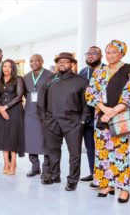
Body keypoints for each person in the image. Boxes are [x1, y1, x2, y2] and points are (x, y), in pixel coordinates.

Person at [85, 40, 130, 203]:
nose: (110, 56)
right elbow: (90, 93)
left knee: (120, 154)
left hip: (121, 117)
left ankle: (124, 189)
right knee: (102, 153)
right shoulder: (99, 72)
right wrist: (104, 109)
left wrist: (112, 112)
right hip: (101, 117)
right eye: (108, 52)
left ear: (122, 53)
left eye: (114, 52)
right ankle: (107, 185)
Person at [38, 52, 89, 191]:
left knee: (74, 153)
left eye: (66, 61)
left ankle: (73, 180)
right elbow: (41, 101)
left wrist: (82, 121)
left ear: (72, 64)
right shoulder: (48, 80)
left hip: (73, 122)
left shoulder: (81, 81)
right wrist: (44, 119)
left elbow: (87, 104)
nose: (62, 63)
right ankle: (54, 175)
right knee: (53, 150)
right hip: (51, 121)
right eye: (59, 61)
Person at [78, 46, 105, 187]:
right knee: (90, 147)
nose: (90, 56)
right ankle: (94, 175)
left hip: (103, 116)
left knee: (104, 148)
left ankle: (106, 178)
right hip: (86, 117)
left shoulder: (107, 70)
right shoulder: (82, 72)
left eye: (94, 53)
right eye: (88, 53)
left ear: (101, 56)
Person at [0, 59, 25, 175]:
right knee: (3, 137)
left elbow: (19, 96)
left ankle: (13, 163)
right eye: (4, 66)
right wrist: (0, 109)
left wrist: (5, 107)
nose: (6, 69)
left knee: (13, 137)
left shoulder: (18, 79)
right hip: (0, 111)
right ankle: (6, 163)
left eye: (9, 67)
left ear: (13, 68)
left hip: (14, 110)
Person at [23, 54, 52, 178]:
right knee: (30, 140)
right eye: (31, 61)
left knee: (46, 141)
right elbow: (25, 94)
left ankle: (46, 169)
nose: (34, 62)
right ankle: (35, 167)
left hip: (45, 112)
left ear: (42, 61)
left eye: (36, 60)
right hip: (30, 112)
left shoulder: (50, 75)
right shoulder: (26, 77)